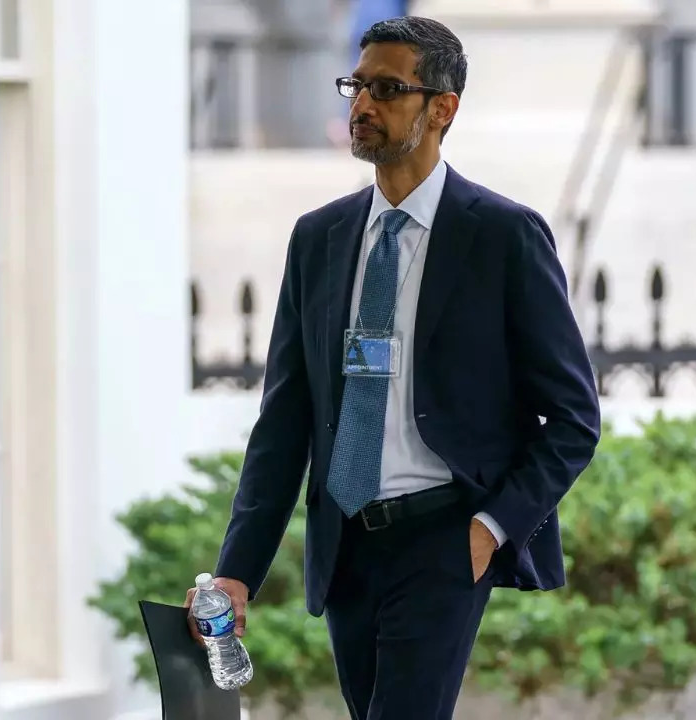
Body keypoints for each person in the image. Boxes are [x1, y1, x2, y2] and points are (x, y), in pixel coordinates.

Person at [185, 15, 601, 720]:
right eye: (356, 85)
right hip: (346, 544)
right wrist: (237, 571)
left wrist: (491, 529)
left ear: (443, 108)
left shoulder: (502, 235)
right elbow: (284, 422)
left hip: (444, 540)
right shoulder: (319, 239)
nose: (361, 106)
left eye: (386, 88)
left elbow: (573, 418)